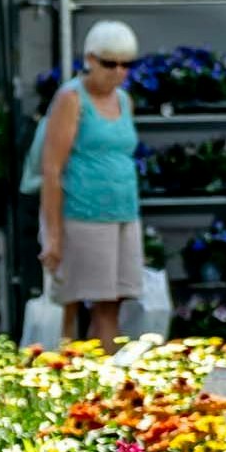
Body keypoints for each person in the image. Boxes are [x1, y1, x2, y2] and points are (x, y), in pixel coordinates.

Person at [35, 19, 145, 347]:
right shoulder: (71, 99)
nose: (118, 72)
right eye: (110, 64)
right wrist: (53, 235)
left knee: (112, 302)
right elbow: (52, 169)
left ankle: (108, 383)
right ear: (90, 59)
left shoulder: (125, 101)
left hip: (124, 213)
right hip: (82, 215)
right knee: (74, 303)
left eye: (127, 64)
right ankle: (70, 373)